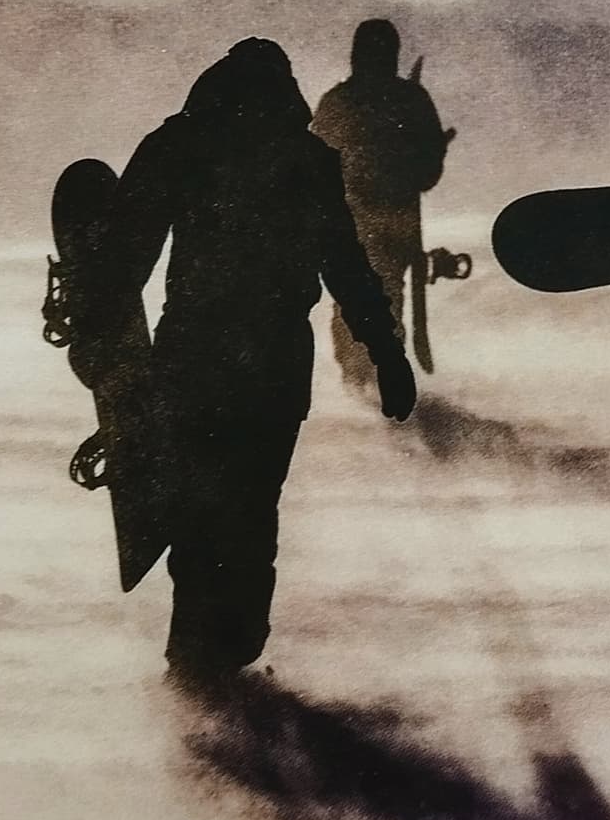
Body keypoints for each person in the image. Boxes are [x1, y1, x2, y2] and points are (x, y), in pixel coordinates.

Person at [101, 38, 417, 690]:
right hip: (272, 359)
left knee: (200, 505)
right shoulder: (305, 159)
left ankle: (195, 660)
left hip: (194, 352)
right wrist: (386, 352)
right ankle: (230, 651)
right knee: (251, 505)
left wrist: (107, 352)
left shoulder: (180, 146)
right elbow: (346, 268)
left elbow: (123, 257)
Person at [311, 19, 453, 387]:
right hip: (392, 221)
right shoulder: (411, 100)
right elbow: (427, 175)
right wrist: (432, 153)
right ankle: (375, 386)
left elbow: (313, 165)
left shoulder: (337, 101)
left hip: (351, 223)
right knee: (387, 302)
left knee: (351, 303)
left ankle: (362, 386)